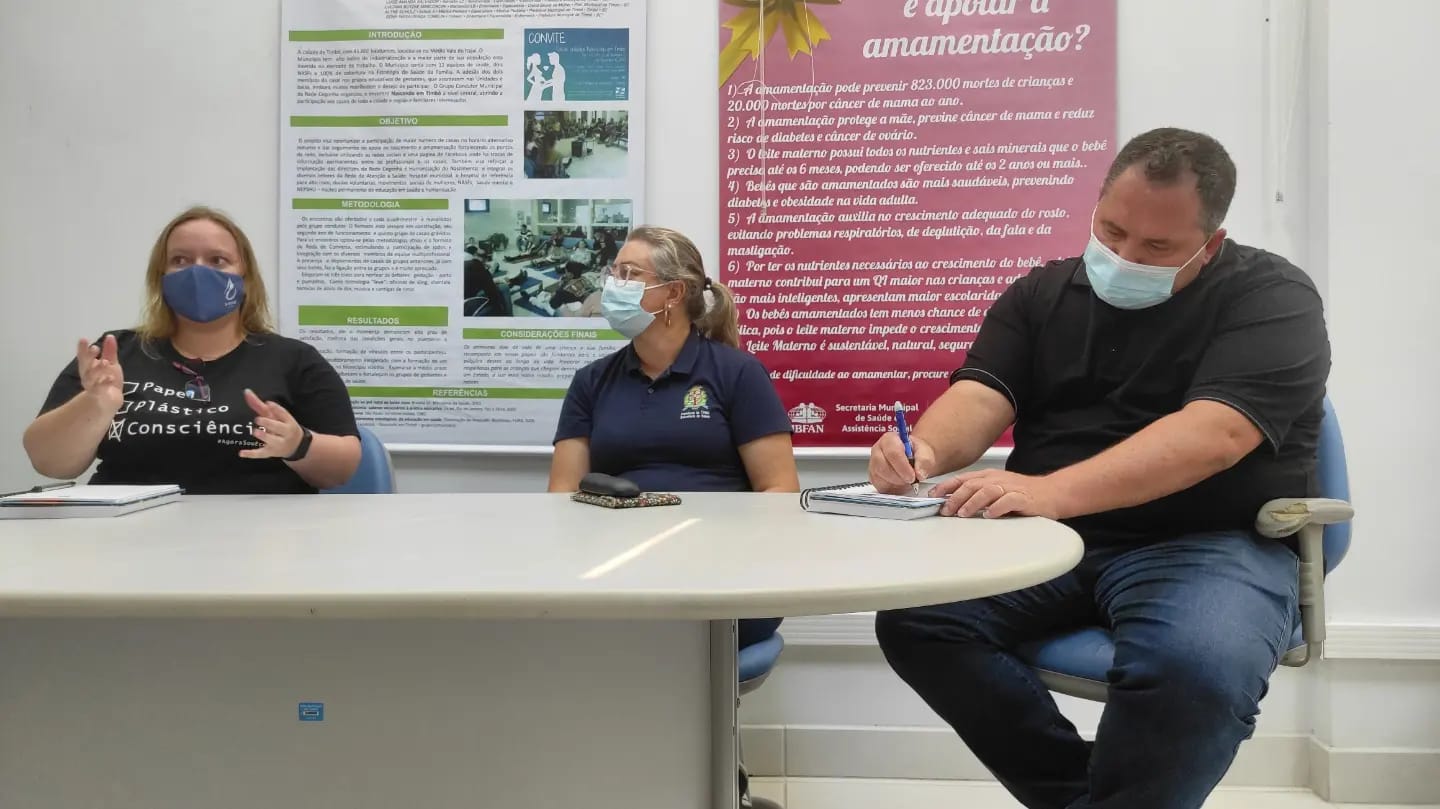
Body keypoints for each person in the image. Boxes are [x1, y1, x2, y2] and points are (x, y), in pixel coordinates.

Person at [868, 128, 1330, 809]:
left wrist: (1051, 492)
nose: (1124, 257)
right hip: (1050, 538)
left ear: (1211, 244)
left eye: (1157, 248)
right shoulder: (1042, 293)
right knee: (918, 620)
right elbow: (982, 393)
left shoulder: (1272, 297)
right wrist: (926, 450)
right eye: (1111, 231)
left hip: (1206, 541)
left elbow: (1216, 434)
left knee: (1196, 669)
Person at [23, 206, 362, 494]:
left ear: (246, 278)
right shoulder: (115, 354)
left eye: (218, 260)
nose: (198, 272)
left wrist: (299, 444)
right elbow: (48, 462)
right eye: (180, 260)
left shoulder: (294, 360)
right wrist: (95, 403)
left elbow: (342, 469)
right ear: (160, 277)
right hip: (128, 533)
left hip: (262, 537)